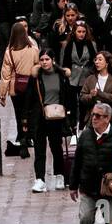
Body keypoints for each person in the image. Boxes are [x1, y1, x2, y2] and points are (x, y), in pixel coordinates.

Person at [70, 101, 112, 224]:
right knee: (85, 220)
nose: (94, 119)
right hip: (88, 187)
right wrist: (73, 185)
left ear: (107, 118)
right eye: (93, 115)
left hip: (109, 191)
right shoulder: (86, 135)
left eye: (98, 116)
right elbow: (77, 161)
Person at [30, 50, 71, 193]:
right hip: (40, 117)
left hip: (57, 117)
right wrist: (25, 119)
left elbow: (67, 96)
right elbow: (29, 98)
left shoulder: (61, 76)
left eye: (47, 59)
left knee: (56, 148)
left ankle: (59, 175)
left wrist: (70, 117)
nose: (44, 62)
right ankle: (40, 179)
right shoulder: (36, 77)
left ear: (53, 60)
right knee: (39, 149)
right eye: (42, 59)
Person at [0, 22, 41, 155]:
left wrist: (2, 95)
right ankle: (30, 137)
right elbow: (38, 66)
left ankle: (21, 135)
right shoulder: (33, 49)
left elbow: (5, 75)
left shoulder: (9, 52)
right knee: (30, 112)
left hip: (15, 87)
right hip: (31, 85)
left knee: (19, 113)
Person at [79, 49, 112, 127]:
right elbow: (82, 97)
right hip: (93, 118)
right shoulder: (90, 78)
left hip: (110, 118)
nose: (96, 62)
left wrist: (100, 94)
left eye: (100, 59)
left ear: (107, 63)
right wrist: (91, 96)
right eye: (95, 60)